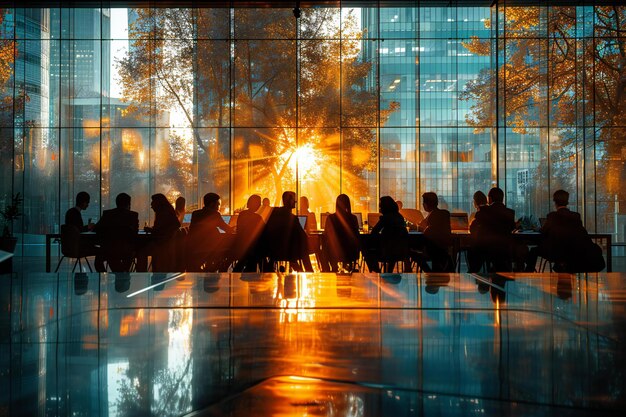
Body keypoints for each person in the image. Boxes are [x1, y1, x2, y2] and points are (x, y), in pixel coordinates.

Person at [525, 190, 604, 272]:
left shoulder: (552, 216)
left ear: (555, 202)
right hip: (573, 252)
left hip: (556, 252)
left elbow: (543, 232)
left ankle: (528, 272)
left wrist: (537, 229)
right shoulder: (576, 216)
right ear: (567, 201)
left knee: (533, 251)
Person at [469, 187, 517, 272]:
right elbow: (512, 228)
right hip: (504, 250)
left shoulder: (483, 211)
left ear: (490, 198)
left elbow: (472, 228)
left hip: (485, 250)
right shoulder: (510, 212)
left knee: (473, 250)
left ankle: (473, 274)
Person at [261, 191, 312, 272]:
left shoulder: (273, 215)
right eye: (294, 199)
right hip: (290, 252)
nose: (296, 201)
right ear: (288, 200)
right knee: (304, 247)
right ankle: (308, 271)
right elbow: (303, 236)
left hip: (273, 251)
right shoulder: (293, 219)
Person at [187, 192, 234, 271]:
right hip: (209, 247)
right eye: (218, 204)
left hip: (195, 246)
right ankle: (222, 269)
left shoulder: (195, 213)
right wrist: (234, 229)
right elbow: (226, 228)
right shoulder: (215, 214)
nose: (219, 206)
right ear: (212, 204)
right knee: (231, 248)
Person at [94, 192, 139, 272]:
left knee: (100, 260)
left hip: (108, 248)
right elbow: (134, 233)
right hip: (126, 249)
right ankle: (122, 274)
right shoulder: (133, 215)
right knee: (131, 254)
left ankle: (114, 274)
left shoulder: (107, 214)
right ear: (128, 203)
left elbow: (97, 228)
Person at [136, 193, 180, 272]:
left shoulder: (163, 214)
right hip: (166, 245)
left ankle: (141, 273)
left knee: (141, 252)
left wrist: (150, 230)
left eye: (152, 202)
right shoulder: (168, 213)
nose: (151, 205)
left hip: (160, 245)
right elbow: (162, 229)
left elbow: (159, 232)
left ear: (158, 203)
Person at [365, 196, 408, 272]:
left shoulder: (385, 218)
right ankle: (388, 272)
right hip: (400, 251)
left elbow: (374, 232)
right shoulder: (400, 217)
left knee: (367, 252)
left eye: (380, 205)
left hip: (386, 252)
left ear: (385, 207)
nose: (379, 207)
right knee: (392, 250)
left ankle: (377, 273)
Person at [415, 192, 453, 272]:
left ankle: (430, 273)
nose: (422, 205)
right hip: (444, 249)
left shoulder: (432, 216)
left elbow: (427, 232)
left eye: (423, 203)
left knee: (412, 252)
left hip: (433, 249)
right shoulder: (444, 213)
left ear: (426, 204)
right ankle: (432, 273)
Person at [322, 194, 360, 272]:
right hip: (350, 252)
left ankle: (332, 268)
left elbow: (326, 234)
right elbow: (356, 235)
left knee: (324, 245)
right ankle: (349, 267)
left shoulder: (330, 218)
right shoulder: (353, 218)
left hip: (334, 251)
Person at [232, 194, 265, 272]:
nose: (260, 205)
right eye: (259, 203)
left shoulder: (242, 214)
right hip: (253, 247)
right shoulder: (257, 217)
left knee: (243, 261)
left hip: (242, 245)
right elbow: (264, 229)